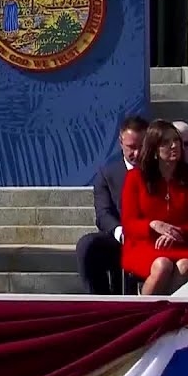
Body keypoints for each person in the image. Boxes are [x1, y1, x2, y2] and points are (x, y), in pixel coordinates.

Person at [120, 120, 188, 294]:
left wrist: (176, 233)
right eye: (166, 143)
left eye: (176, 140)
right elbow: (129, 223)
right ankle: (144, 315)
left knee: (185, 266)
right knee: (162, 265)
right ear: (154, 149)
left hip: (180, 243)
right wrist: (153, 225)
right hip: (144, 244)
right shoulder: (135, 178)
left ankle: (169, 317)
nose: (174, 146)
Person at [75, 115, 147, 294]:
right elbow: (103, 213)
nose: (136, 154)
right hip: (120, 237)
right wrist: (120, 232)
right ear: (120, 143)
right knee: (87, 245)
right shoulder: (107, 174)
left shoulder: (158, 171)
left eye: (141, 147)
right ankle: (99, 302)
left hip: (150, 238)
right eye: (131, 147)